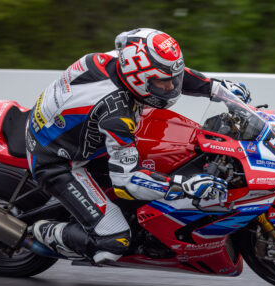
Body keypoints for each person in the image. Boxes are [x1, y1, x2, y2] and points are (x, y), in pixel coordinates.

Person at [26, 28, 251, 263]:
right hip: (58, 161)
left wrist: (217, 88)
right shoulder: (117, 114)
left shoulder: (121, 59)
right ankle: (39, 232)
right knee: (113, 241)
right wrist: (185, 185)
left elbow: (162, 68)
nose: (171, 88)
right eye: (163, 84)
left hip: (68, 130)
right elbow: (126, 182)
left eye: (173, 81)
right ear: (138, 81)